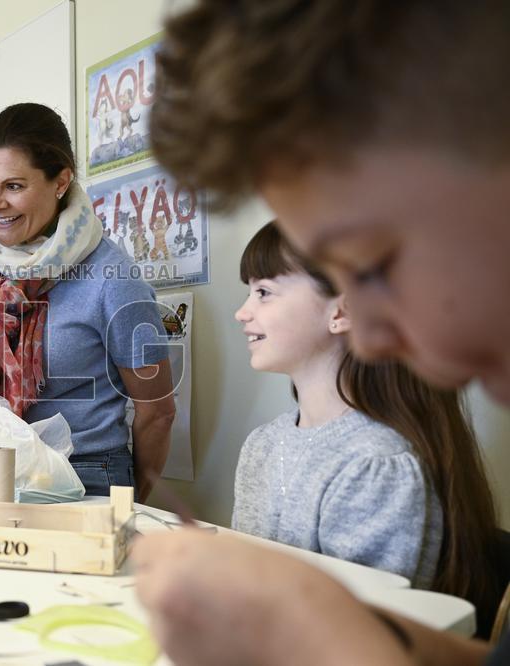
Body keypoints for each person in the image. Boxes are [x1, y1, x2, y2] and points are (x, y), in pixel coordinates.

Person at [134, 1, 510, 664]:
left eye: (370, 265)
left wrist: (300, 617)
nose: (369, 337)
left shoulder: (379, 462)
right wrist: (301, 609)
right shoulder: (268, 444)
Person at [234, 221, 501, 631]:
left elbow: (355, 638)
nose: (242, 312)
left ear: (342, 311)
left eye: (264, 292)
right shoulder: (262, 444)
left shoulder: (376, 465)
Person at [0, 103, 175, 500]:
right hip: (0, 470)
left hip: (87, 477)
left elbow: (157, 411)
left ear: (60, 182)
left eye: (14, 186)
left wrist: (129, 502)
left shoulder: (112, 279)